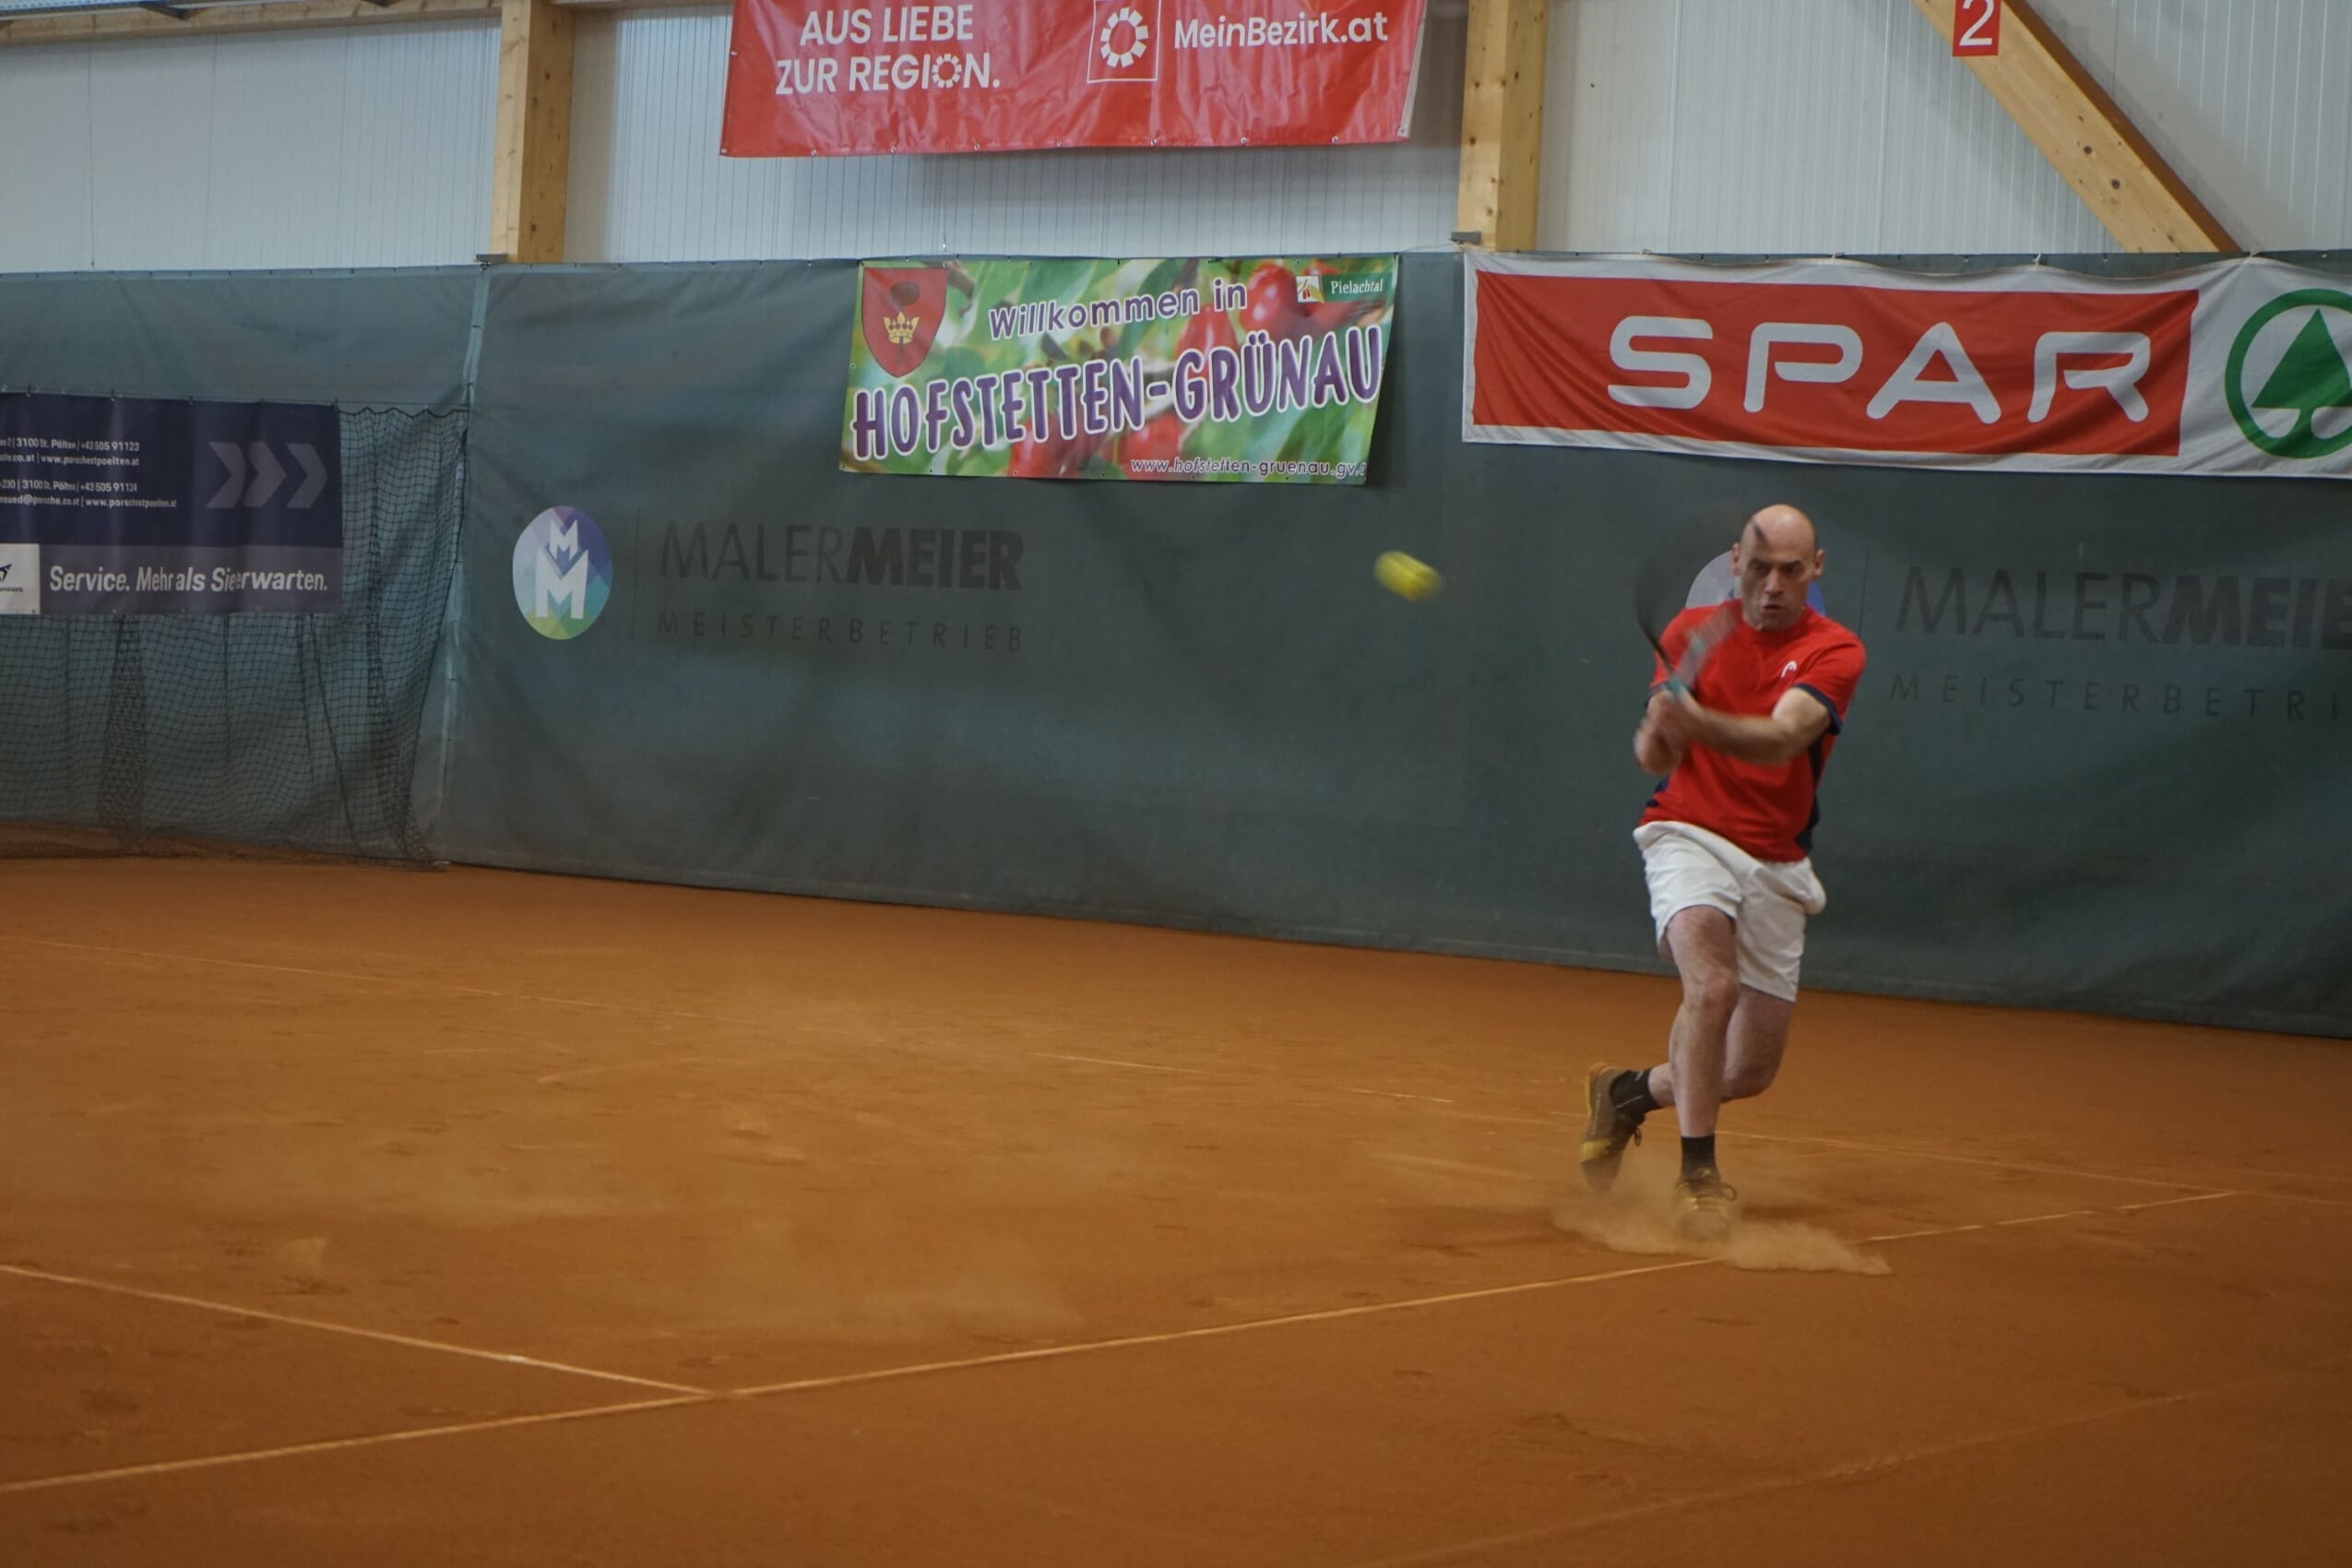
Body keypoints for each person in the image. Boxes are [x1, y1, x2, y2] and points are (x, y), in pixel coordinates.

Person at [1581, 505, 1866, 1241]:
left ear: (1816, 569)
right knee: (1711, 988)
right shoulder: (1690, 635)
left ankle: (1629, 1093)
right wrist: (1658, 730)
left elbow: (1782, 739)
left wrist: (1695, 720)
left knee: (1746, 1072)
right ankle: (1698, 1175)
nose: (1772, 585)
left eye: (1790, 571)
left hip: (1776, 858)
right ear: (1735, 562)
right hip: (1687, 832)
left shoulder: (1836, 650)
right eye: (1759, 567)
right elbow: (1655, 758)